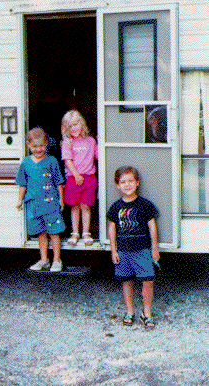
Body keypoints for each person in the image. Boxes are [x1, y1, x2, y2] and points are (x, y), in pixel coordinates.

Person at [107, 166, 160, 329]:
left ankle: (147, 313)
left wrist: (154, 249)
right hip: (123, 252)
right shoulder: (116, 207)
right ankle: (130, 311)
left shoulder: (145, 205)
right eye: (123, 182)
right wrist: (114, 250)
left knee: (148, 281)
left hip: (143, 250)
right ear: (117, 185)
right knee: (127, 281)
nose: (127, 185)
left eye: (131, 181)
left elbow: (152, 227)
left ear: (137, 183)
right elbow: (112, 229)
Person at [15, 127, 65, 272]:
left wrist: (61, 200)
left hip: (51, 203)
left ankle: (57, 260)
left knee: (54, 232)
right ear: (28, 145)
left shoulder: (51, 161)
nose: (38, 149)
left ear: (47, 144)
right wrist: (20, 200)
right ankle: (44, 259)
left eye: (42, 146)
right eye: (35, 146)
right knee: (41, 234)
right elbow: (22, 184)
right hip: (34, 205)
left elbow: (59, 182)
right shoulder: (25, 163)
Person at [61, 110, 98, 246]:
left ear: (81, 124)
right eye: (70, 126)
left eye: (76, 124)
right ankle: (75, 232)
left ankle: (86, 232)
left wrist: (100, 142)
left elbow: (97, 156)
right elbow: (67, 160)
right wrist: (76, 175)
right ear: (66, 128)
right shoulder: (67, 142)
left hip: (88, 178)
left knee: (86, 206)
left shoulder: (90, 141)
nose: (74, 128)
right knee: (75, 207)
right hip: (73, 178)